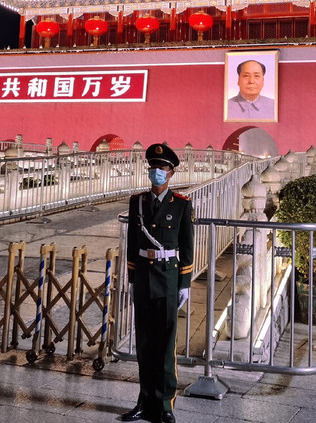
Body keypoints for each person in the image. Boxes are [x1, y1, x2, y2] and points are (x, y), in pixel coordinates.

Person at [121, 143, 194, 423]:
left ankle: (164, 405)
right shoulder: (137, 202)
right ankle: (144, 400)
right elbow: (132, 243)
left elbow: (187, 247)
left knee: (164, 344)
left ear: (171, 172)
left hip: (168, 279)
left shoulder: (181, 205)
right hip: (143, 278)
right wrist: (132, 278)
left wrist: (184, 283)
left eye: (161, 168)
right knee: (144, 343)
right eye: (153, 167)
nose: (156, 172)